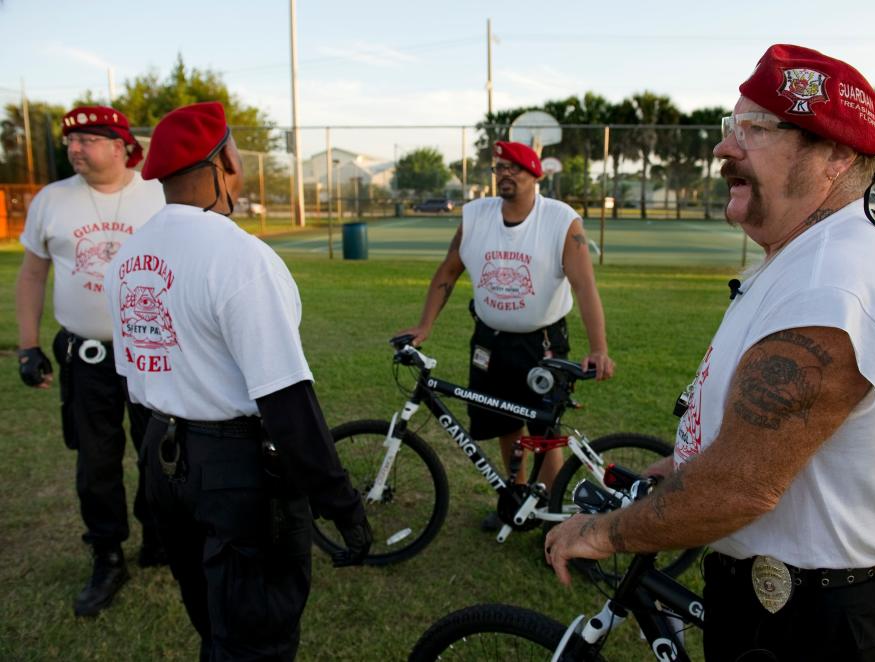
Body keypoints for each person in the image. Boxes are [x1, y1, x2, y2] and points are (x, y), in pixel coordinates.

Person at [545, 44, 875, 661]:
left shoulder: (831, 280)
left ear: (834, 156)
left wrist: (601, 532)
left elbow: (738, 490)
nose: (724, 148)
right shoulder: (808, 256)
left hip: (800, 625)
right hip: (782, 602)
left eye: (756, 128)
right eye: (731, 127)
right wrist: (686, 462)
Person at [104, 101, 371, 660]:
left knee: (210, 615)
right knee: (256, 634)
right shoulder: (240, 256)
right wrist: (341, 503)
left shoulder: (128, 255)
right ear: (225, 157)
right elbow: (286, 399)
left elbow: (135, 374)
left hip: (163, 454)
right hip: (234, 469)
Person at [401, 140, 615, 528]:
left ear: (536, 175)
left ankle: (554, 518)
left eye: (516, 168)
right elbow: (449, 271)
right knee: (504, 424)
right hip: (490, 341)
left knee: (543, 433)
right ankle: (518, 504)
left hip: (542, 342)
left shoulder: (561, 220)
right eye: (500, 168)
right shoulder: (475, 216)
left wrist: (599, 348)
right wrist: (424, 325)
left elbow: (584, 286)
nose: (506, 174)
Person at [15, 105, 167, 617]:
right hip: (88, 354)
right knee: (96, 463)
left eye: (91, 138)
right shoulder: (52, 199)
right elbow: (33, 276)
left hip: (153, 349)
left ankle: (160, 537)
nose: (76, 148)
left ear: (123, 145)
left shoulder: (159, 190)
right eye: (70, 140)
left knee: (160, 451)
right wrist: (28, 344)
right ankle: (107, 555)